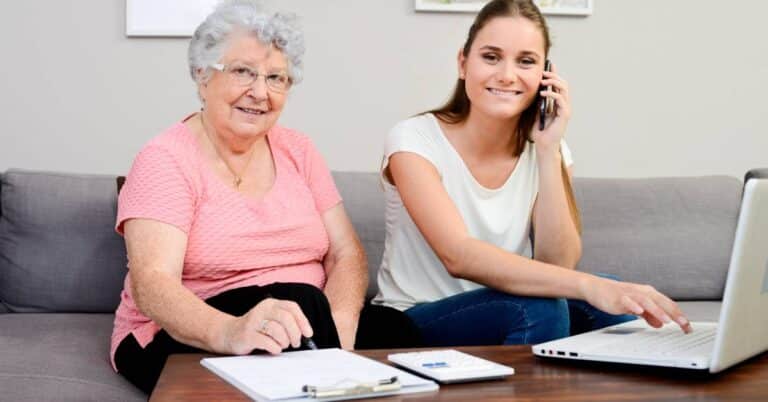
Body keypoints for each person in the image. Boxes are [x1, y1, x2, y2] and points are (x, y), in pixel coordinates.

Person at [111, 0, 418, 394]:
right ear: (203, 75)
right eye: (243, 72)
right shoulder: (165, 158)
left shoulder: (299, 150)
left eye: (277, 78)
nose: (260, 92)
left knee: (402, 332)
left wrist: (338, 329)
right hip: (186, 331)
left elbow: (346, 254)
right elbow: (152, 283)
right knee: (299, 302)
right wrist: (230, 331)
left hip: (305, 321)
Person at [372, 0, 692, 347]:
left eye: (526, 61)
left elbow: (559, 263)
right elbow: (458, 255)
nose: (507, 75)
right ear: (463, 63)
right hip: (419, 319)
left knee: (617, 304)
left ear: (545, 74)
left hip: (514, 304)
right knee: (545, 307)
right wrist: (590, 285)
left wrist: (547, 150)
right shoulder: (414, 139)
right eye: (491, 57)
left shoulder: (547, 148)